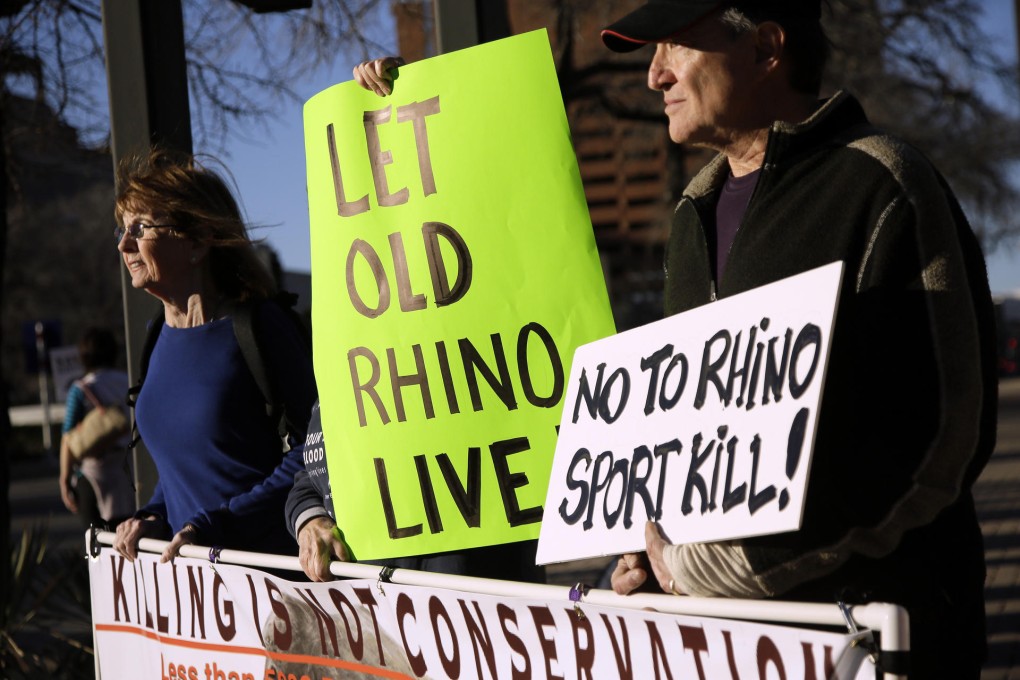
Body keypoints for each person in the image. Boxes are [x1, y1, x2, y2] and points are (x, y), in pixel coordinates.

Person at [592, 2, 997, 678]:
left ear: (766, 47)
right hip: (742, 650)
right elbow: (691, 435)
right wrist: (647, 554)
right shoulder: (692, 214)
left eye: (675, 46)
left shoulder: (880, 182)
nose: (654, 76)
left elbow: (940, 438)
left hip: (877, 640)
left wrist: (733, 563)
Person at [111, 147, 316, 564]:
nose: (123, 244)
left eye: (140, 227)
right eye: (121, 228)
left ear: (198, 241)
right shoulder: (156, 336)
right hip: (198, 590)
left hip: (272, 579)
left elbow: (314, 451)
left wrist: (221, 524)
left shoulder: (261, 327)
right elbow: (183, 467)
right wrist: (154, 514)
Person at [287, 399, 544, 583]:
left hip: (488, 609)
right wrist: (312, 520)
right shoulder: (353, 360)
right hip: (378, 616)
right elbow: (312, 477)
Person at [59, 327, 134, 531]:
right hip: (127, 469)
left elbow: (68, 438)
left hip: (93, 474)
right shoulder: (128, 381)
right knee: (127, 536)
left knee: (95, 543)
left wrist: (64, 479)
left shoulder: (82, 388)